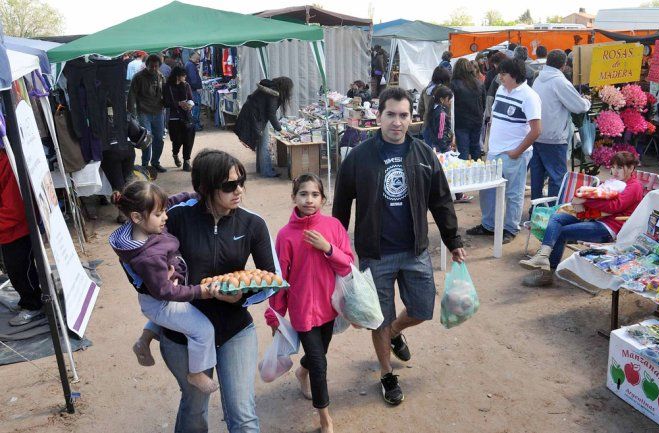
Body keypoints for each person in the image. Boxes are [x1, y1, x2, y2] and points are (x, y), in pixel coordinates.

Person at [333, 87, 466, 406]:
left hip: (415, 249)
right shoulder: (360, 158)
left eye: (403, 115)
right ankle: (385, 373)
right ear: (378, 117)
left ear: (411, 118)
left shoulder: (423, 154)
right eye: (390, 115)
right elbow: (341, 206)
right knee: (377, 317)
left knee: (422, 308)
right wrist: (338, 251)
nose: (397, 122)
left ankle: (394, 331)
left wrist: (453, 240)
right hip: (375, 252)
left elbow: (441, 200)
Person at [153, 149, 279, 432]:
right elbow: (135, 249)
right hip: (183, 334)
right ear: (205, 188)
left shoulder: (252, 223)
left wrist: (242, 296)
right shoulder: (174, 218)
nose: (239, 191)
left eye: (241, 182)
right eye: (229, 185)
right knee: (195, 409)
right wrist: (159, 279)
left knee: (243, 416)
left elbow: (272, 278)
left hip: (234, 329)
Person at [109, 181, 218, 394]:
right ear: (137, 217)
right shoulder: (149, 257)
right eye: (159, 214)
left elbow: (171, 201)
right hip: (161, 300)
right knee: (204, 330)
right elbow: (164, 292)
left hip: (154, 301)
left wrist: (193, 195)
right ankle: (196, 373)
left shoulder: (141, 228)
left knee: (165, 315)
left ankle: (144, 340)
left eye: (165, 211)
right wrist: (199, 292)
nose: (165, 217)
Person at [265, 174, 354, 433]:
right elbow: (279, 279)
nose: (309, 200)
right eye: (303, 194)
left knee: (319, 355)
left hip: (330, 308)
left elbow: (348, 264)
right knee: (319, 363)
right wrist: (275, 315)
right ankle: (325, 419)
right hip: (303, 312)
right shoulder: (285, 235)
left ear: (323, 200)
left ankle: (301, 372)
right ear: (294, 197)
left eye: (315, 195)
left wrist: (327, 248)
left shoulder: (334, 227)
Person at [519, 151, 643, 286]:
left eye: (619, 168)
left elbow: (614, 206)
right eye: (613, 167)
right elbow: (594, 194)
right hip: (592, 218)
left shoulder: (634, 186)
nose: (615, 171)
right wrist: (580, 200)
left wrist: (583, 201)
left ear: (631, 168)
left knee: (562, 232)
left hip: (609, 227)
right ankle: (543, 255)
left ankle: (547, 275)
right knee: (556, 218)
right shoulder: (614, 182)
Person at [466, 58, 542, 244]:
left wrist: (517, 151)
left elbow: (536, 131)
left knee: (513, 193)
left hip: (514, 154)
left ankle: (510, 228)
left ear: (514, 75)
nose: (499, 77)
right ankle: (489, 225)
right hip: (494, 151)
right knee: (488, 191)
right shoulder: (501, 89)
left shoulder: (529, 96)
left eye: (503, 74)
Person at [531, 49, 591, 202]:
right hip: (554, 137)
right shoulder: (560, 81)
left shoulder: (538, 78)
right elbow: (579, 106)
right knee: (557, 177)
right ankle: (551, 212)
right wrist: (587, 101)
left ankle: (535, 209)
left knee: (537, 176)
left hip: (536, 134)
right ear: (564, 65)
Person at [0, 148, 45, 326]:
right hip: (8, 227)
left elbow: (15, 208)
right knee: (14, 269)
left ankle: (33, 305)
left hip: (16, 229)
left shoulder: (8, 162)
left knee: (21, 268)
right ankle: (27, 300)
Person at [234, 77, 294, 178]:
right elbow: (271, 114)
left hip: (252, 115)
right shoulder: (273, 94)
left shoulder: (268, 87)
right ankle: (267, 171)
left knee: (261, 143)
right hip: (255, 117)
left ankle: (261, 168)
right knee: (264, 145)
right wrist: (280, 130)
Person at [128, 54, 166, 173]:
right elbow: (131, 95)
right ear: (146, 65)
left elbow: (165, 92)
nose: (154, 69)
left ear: (159, 66)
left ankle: (155, 163)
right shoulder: (138, 77)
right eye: (151, 66)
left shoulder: (161, 76)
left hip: (158, 112)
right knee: (146, 139)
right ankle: (145, 165)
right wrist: (132, 114)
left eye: (156, 66)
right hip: (144, 112)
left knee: (159, 139)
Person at [451, 58, 486, 162]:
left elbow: (451, 106)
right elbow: (483, 103)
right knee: (476, 148)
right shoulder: (479, 83)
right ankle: (478, 172)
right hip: (477, 121)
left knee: (463, 151)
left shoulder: (453, 84)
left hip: (461, 123)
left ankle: (463, 175)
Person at [163, 66, 196, 171]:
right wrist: (178, 103)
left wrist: (190, 104)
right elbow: (165, 102)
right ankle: (175, 154)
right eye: (183, 75)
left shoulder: (186, 85)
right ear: (177, 76)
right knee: (177, 140)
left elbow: (191, 99)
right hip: (173, 118)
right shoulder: (167, 87)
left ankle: (187, 161)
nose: (185, 77)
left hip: (186, 117)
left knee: (188, 139)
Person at [417, 66, 452, 138]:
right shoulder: (446, 92)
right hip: (442, 128)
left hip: (428, 126)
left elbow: (421, 109)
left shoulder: (426, 90)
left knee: (429, 148)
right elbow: (449, 111)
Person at [425, 85, 454, 153]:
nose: (450, 102)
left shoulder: (433, 108)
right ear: (442, 100)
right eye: (448, 99)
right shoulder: (442, 114)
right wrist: (446, 149)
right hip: (439, 148)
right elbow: (441, 134)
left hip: (433, 144)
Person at [185, 52, 204, 131]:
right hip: (193, 90)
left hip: (192, 90)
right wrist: (197, 87)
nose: (199, 58)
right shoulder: (190, 65)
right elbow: (193, 80)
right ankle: (195, 126)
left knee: (195, 108)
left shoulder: (190, 64)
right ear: (193, 56)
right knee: (195, 108)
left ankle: (196, 124)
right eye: (197, 56)